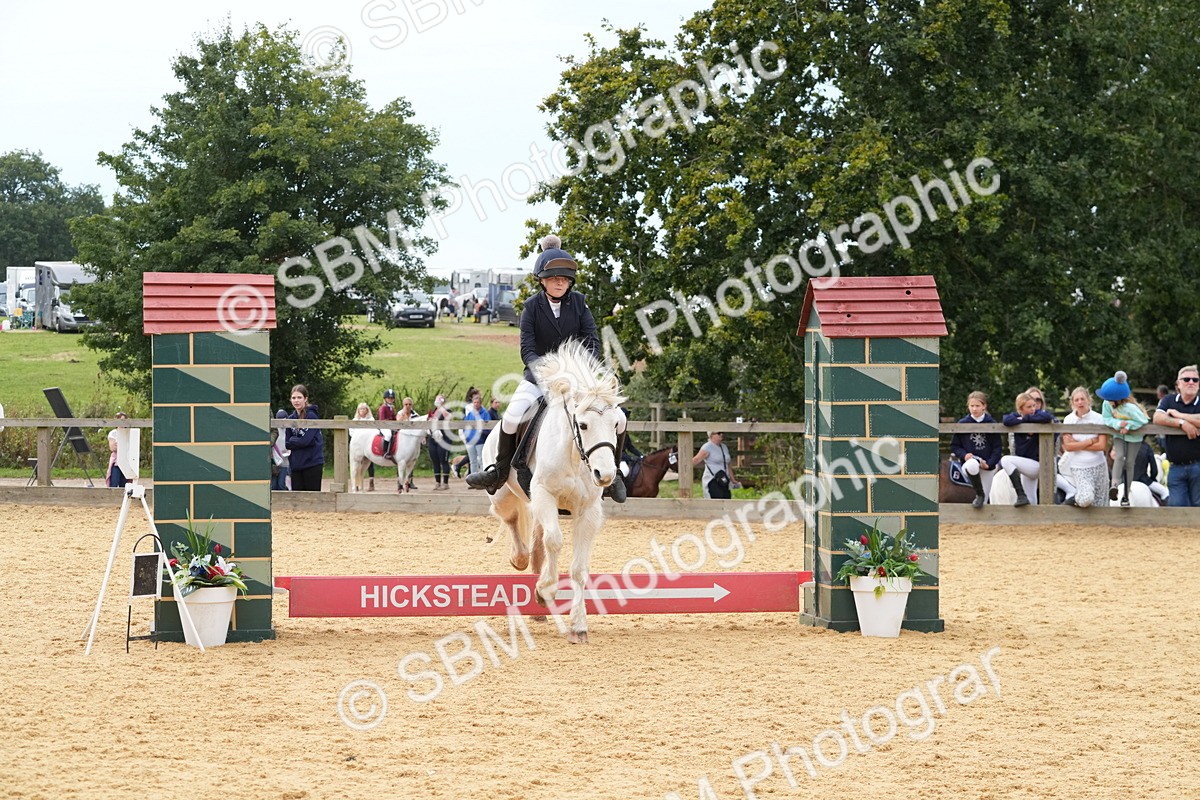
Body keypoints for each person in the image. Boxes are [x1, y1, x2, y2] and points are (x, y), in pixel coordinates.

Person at [466, 238, 628, 501]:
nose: (560, 282)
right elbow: (527, 350)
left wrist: (579, 371)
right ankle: (500, 470)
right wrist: (548, 374)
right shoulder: (531, 307)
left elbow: (592, 342)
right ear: (542, 280)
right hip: (540, 378)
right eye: (554, 278)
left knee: (619, 417)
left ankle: (614, 475)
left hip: (578, 380)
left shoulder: (580, 303)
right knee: (511, 417)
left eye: (564, 278)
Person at [1098, 370, 1149, 507]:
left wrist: (1129, 426)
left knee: (1130, 462)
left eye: (1109, 399)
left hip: (1134, 437)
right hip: (1118, 434)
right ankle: (1114, 485)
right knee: (1119, 456)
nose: (1107, 402)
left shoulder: (1131, 408)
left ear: (1118, 399)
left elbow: (1143, 420)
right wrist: (1118, 424)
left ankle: (1126, 494)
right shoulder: (1106, 404)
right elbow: (1107, 419)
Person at [1153, 364, 1200, 506]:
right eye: (1186, 379)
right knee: (1177, 509)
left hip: (1198, 466)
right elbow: (1157, 418)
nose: (1191, 382)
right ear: (1178, 384)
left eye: (1195, 380)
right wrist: (1181, 423)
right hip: (1176, 467)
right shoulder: (1169, 400)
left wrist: (1179, 415)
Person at [1000, 392, 1054, 506]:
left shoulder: (1038, 414)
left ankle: (1020, 494)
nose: (1033, 409)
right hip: (1025, 465)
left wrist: (1026, 419)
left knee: (1005, 460)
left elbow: (1047, 417)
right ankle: (1035, 522)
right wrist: (1023, 420)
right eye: (1029, 407)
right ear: (1020, 409)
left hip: (1037, 463)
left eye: (1034, 405)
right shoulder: (1015, 416)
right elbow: (1006, 420)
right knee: (1032, 499)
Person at [950, 391, 1003, 508]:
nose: (974, 409)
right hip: (969, 465)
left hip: (987, 467)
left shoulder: (992, 423)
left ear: (984, 406)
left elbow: (997, 448)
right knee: (972, 464)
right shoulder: (962, 423)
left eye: (977, 406)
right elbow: (955, 446)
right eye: (971, 406)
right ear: (968, 406)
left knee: (983, 503)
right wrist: (964, 455)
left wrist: (989, 464)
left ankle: (982, 525)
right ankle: (979, 493)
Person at [1060, 386, 1108, 508]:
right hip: (1079, 466)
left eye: (1082, 399)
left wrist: (1077, 443)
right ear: (1072, 402)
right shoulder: (1068, 419)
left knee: (1100, 502)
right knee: (1086, 497)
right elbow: (1068, 447)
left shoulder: (1099, 418)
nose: (1080, 402)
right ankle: (1072, 500)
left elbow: (1101, 445)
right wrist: (1090, 441)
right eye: (1076, 400)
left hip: (1099, 464)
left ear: (1088, 400)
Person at [285, 384, 324, 491]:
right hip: (296, 465)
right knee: (297, 500)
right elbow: (287, 443)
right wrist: (297, 441)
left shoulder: (311, 416)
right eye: (293, 398)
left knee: (312, 499)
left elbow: (306, 441)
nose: (296, 401)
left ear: (305, 399)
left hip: (312, 463)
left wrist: (294, 440)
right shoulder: (290, 419)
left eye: (299, 397)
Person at [692, 431, 738, 499]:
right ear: (711, 435)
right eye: (719, 433)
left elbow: (728, 464)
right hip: (712, 479)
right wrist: (683, 468)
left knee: (726, 500)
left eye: (722, 432)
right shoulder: (707, 447)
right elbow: (696, 460)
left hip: (724, 479)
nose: (721, 435)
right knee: (717, 501)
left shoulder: (724, 446)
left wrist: (732, 479)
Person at [427, 394, 453, 490]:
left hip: (444, 439)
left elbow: (449, 417)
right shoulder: (433, 411)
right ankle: (437, 482)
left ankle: (445, 483)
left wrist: (441, 407)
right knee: (435, 461)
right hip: (433, 439)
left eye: (440, 399)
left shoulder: (447, 410)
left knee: (444, 460)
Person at [352, 402, 375, 491]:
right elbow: (352, 432)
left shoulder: (371, 419)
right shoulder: (355, 420)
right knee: (356, 464)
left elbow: (373, 431)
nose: (362, 410)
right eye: (361, 409)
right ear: (358, 410)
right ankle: (355, 484)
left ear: (367, 410)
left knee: (370, 463)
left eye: (364, 409)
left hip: (368, 443)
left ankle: (371, 481)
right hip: (357, 444)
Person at [464, 389, 486, 476]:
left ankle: (483, 478)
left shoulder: (484, 413)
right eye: (474, 402)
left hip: (480, 441)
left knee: (481, 460)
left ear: (480, 403)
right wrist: (466, 436)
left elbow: (488, 427)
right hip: (470, 440)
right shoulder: (470, 414)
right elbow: (465, 425)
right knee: (472, 460)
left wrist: (482, 431)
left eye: (477, 402)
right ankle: (473, 478)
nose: (476, 404)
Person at [106, 411, 130, 488]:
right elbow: (112, 447)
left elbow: (131, 446)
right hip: (116, 461)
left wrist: (119, 445)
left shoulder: (128, 432)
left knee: (125, 483)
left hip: (126, 460)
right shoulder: (113, 433)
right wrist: (123, 446)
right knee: (114, 482)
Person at [271, 409, 290, 491]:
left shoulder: (289, 430)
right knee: (274, 485)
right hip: (275, 461)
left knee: (281, 484)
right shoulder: (274, 430)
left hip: (285, 462)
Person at [378, 388, 398, 460]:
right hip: (384, 426)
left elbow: (394, 418)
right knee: (388, 435)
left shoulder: (392, 408)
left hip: (391, 426)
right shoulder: (383, 408)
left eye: (392, 398)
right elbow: (382, 419)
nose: (390, 399)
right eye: (389, 398)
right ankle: (385, 452)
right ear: (385, 399)